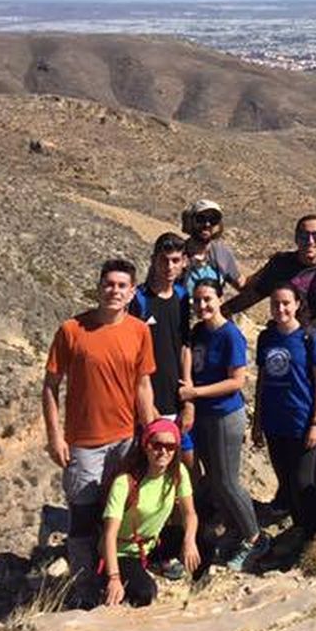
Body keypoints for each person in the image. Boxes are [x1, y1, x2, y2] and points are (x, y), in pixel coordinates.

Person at [42, 258, 157, 598]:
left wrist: (148, 432)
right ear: (98, 287)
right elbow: (50, 385)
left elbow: (143, 385)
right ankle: (85, 586)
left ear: (132, 291)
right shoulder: (72, 330)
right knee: (83, 513)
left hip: (125, 439)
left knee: (119, 512)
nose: (114, 291)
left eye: (122, 286)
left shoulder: (139, 331)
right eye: (109, 284)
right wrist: (55, 437)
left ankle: (117, 577)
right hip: (84, 442)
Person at [179, 278, 267, 570]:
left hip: (225, 414)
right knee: (214, 481)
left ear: (219, 299)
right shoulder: (198, 332)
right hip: (203, 414)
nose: (202, 305)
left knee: (227, 480)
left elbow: (236, 381)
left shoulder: (230, 335)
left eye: (208, 299)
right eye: (198, 300)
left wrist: (195, 393)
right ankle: (235, 530)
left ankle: (256, 538)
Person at [224, 213, 316, 399]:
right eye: (303, 235)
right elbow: (254, 294)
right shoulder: (281, 264)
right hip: (285, 350)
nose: (310, 240)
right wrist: (222, 311)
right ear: (295, 238)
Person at [253, 285, 316, 543]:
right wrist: (257, 422)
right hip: (275, 422)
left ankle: (315, 536)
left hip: (303, 421)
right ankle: (300, 531)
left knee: (303, 483)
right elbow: (261, 380)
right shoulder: (266, 338)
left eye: (286, 303)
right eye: (275, 303)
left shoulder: (310, 337)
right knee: (286, 482)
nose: (281, 309)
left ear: (298, 304)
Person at [99, 418, 201, 607]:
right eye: (157, 445)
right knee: (145, 593)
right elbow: (109, 534)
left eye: (170, 446)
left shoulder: (177, 473)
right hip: (124, 551)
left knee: (204, 542)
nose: (163, 451)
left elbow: (190, 514)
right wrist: (114, 577)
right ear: (146, 446)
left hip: (152, 543)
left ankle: (186, 584)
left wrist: (189, 541)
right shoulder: (125, 482)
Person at [129, 233, 194, 468]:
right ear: (154, 260)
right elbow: (132, 357)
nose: (169, 266)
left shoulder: (182, 296)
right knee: (150, 466)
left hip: (176, 398)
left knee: (187, 466)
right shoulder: (138, 299)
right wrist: (146, 405)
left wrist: (189, 397)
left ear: (184, 262)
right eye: (164, 260)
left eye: (175, 260)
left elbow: (185, 345)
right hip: (150, 398)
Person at [182, 199, 243, 296]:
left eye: (213, 220)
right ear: (191, 221)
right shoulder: (177, 252)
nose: (207, 224)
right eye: (201, 218)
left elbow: (242, 285)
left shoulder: (222, 253)